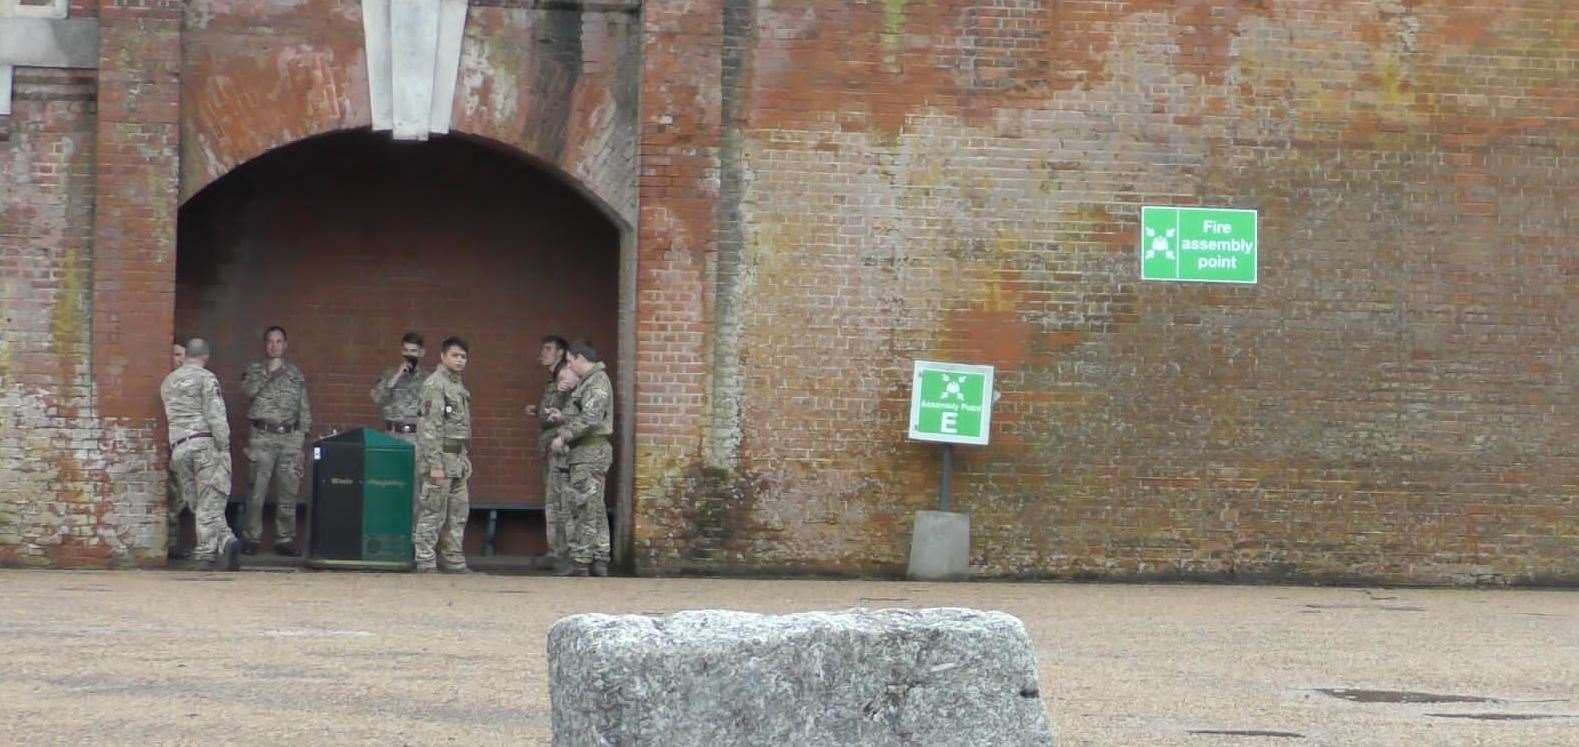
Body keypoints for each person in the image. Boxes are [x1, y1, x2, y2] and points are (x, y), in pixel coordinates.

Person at [161, 338, 241, 571]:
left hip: (179, 446)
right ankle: (206, 553)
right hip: (204, 444)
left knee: (198, 501)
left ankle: (226, 540)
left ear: (186, 355)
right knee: (210, 497)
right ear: (205, 356)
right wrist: (224, 448)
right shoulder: (207, 378)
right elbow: (215, 415)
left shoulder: (168, 381)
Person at [240, 325, 312, 556]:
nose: (274, 345)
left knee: (288, 492)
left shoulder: (295, 374)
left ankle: (285, 538)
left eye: (279, 341)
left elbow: (304, 409)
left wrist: (300, 438)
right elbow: (247, 392)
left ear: (285, 344)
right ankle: (251, 538)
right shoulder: (254, 370)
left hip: (289, 437)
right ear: (265, 345)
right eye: (270, 341)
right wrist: (269, 373)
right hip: (262, 437)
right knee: (256, 492)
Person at [550, 339, 613, 577]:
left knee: (586, 505)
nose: (568, 366)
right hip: (586, 452)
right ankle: (598, 557)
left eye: (569, 361)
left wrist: (564, 436)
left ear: (580, 359)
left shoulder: (596, 383)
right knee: (593, 505)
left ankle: (583, 560)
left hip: (590, 452)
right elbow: (583, 415)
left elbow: (591, 418)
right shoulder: (589, 383)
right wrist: (563, 417)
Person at [415, 336, 473, 574]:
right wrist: (435, 465)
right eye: (455, 355)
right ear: (442, 356)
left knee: (458, 512)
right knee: (433, 511)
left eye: (463, 357)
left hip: (457, 461)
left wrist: (464, 458)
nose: (460, 360)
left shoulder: (457, 386)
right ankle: (426, 561)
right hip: (440, 461)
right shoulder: (435, 384)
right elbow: (430, 428)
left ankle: (453, 559)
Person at [525, 335, 569, 567]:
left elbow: (568, 412)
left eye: (548, 349)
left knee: (557, 501)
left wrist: (545, 415)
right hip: (549, 447)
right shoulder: (552, 380)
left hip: (559, 449)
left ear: (560, 353)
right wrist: (538, 411)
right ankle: (557, 550)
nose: (543, 353)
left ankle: (559, 553)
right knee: (554, 500)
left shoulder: (565, 377)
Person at [541, 364, 581, 571]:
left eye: (568, 376)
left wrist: (564, 430)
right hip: (556, 456)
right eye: (560, 378)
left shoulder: (585, 393)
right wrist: (559, 394)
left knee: (569, 507)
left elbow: (586, 421)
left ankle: (572, 555)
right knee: (553, 506)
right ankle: (556, 551)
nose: (563, 381)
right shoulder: (560, 394)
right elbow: (546, 416)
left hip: (573, 456)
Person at [371, 332, 428, 441]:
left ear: (421, 353)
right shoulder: (389, 374)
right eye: (406, 350)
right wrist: (396, 377)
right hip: (392, 435)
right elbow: (377, 399)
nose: (409, 354)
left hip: (416, 438)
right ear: (402, 352)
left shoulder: (427, 379)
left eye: (413, 351)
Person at [166, 339, 191, 560]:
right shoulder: (167, 383)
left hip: (184, 446)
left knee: (181, 496)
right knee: (171, 494)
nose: (179, 359)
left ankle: (174, 542)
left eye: (182, 355)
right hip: (168, 445)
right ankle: (170, 544)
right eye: (175, 354)